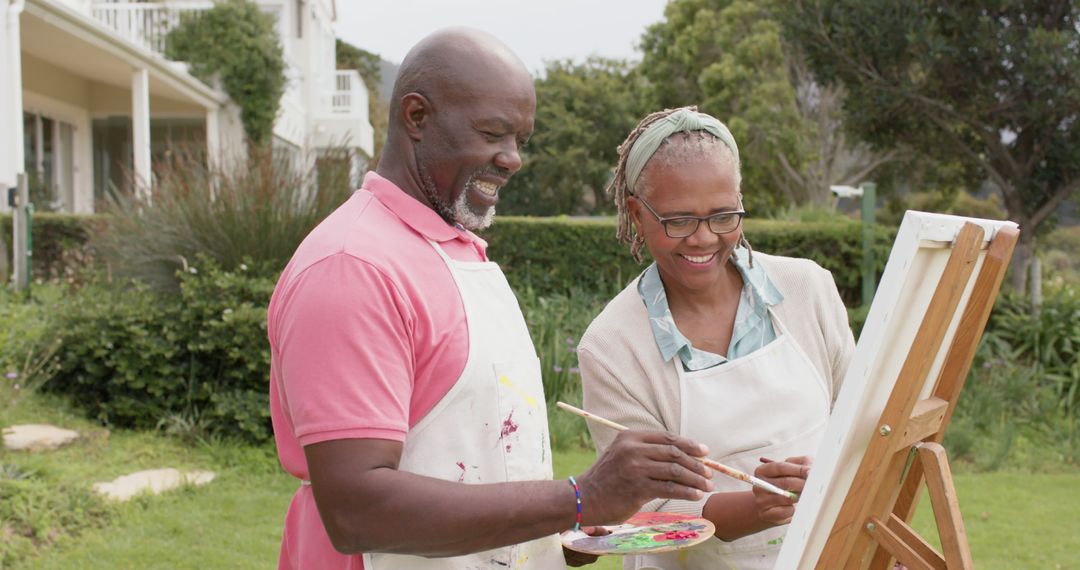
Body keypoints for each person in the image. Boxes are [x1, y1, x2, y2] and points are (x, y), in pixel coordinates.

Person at [267, 30, 717, 570]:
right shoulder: (352, 267)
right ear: (416, 117)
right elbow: (357, 509)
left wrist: (559, 528)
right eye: (493, 134)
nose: (513, 160)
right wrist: (577, 497)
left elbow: (479, 455)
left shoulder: (458, 251)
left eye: (520, 139)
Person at [578, 107, 856, 569]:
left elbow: (859, 423)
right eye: (679, 220)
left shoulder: (807, 288)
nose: (704, 239)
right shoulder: (611, 347)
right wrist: (756, 507)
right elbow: (642, 512)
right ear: (636, 213)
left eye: (723, 215)